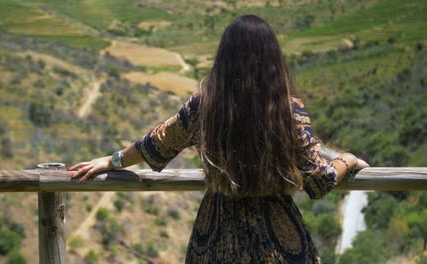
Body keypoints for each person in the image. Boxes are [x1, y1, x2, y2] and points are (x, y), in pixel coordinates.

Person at [69, 15, 369, 263]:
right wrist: (348, 160)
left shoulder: (204, 108)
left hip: (215, 234)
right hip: (278, 241)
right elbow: (318, 180)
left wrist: (112, 160)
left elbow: (156, 144)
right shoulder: (289, 111)